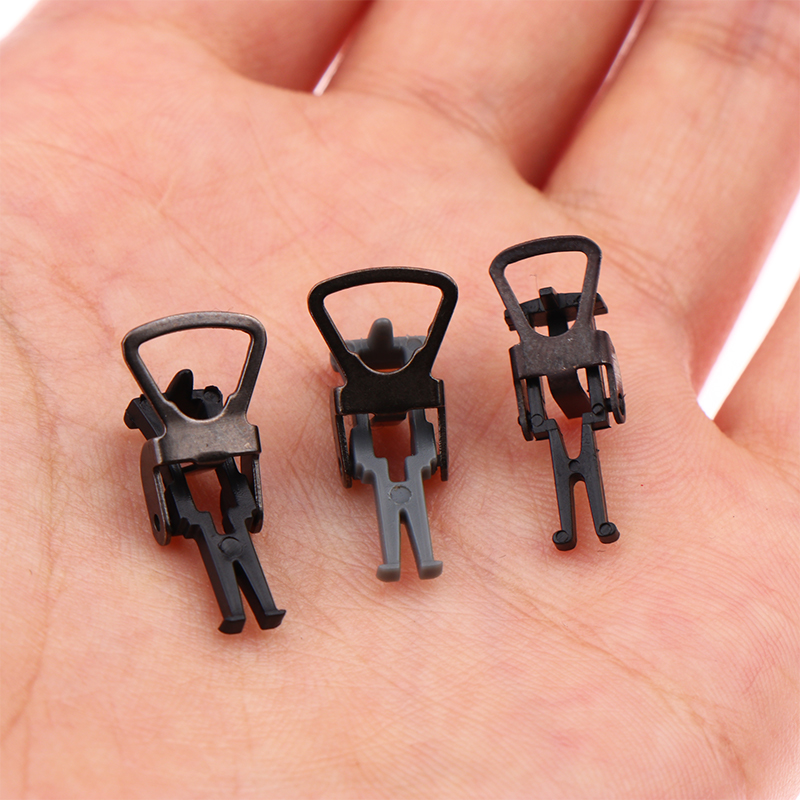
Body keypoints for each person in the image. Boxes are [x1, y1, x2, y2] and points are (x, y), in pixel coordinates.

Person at [1, 1, 797, 797]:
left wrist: (565, 409)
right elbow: (223, 460)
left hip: (439, 426)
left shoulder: (527, 346)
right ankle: (298, 589)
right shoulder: (262, 404)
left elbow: (527, 385)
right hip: (320, 447)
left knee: (440, 475)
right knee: (269, 520)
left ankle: (504, 536)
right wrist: (306, 471)